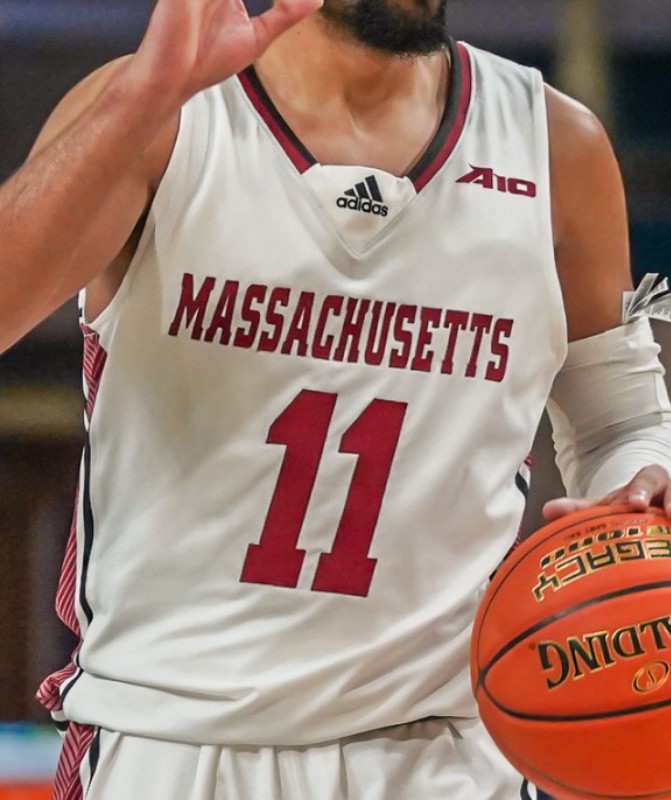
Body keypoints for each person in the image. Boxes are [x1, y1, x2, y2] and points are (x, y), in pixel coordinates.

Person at [2, 0, 671, 797]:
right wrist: (139, 98)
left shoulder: (555, 145)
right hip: (172, 739)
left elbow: (620, 422)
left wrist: (640, 485)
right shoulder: (163, 112)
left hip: (445, 751)